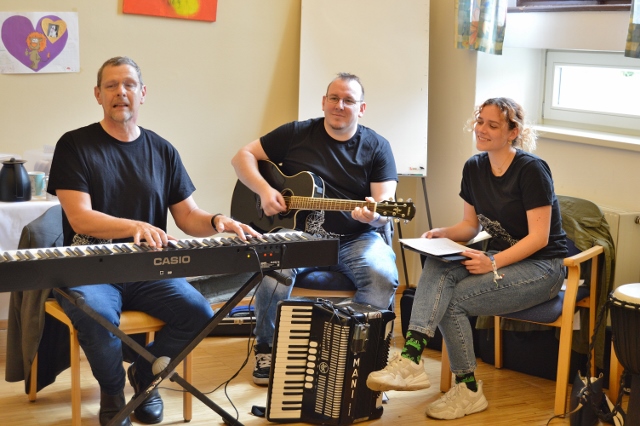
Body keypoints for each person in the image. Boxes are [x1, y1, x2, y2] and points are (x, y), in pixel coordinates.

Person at [46, 56, 258, 426]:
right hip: (92, 269)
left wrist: (217, 221)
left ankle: (145, 377)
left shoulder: (162, 150)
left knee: (198, 314)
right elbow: (80, 217)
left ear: (142, 93)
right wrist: (135, 226)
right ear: (98, 94)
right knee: (98, 317)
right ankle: (113, 397)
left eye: (129, 84)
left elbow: (187, 216)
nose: (120, 92)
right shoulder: (74, 145)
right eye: (111, 85)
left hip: (148, 270)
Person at [366, 97, 568, 420]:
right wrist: (442, 233)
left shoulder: (532, 170)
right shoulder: (474, 167)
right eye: (480, 121)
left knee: (451, 300)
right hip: (500, 258)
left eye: (493, 125)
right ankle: (412, 359)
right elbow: (470, 226)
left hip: (543, 268)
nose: (482, 129)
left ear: (513, 132)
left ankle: (468, 388)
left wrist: (493, 262)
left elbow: (539, 238)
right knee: (439, 263)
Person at [231, 72, 400, 385]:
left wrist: (373, 217)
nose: (339, 105)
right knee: (272, 263)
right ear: (323, 102)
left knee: (382, 276)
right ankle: (267, 348)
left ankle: (359, 356)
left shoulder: (377, 147)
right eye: (334, 98)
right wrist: (265, 191)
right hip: (301, 236)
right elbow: (242, 156)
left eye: (348, 100)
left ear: (361, 108)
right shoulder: (297, 133)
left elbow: (385, 205)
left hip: (356, 238)